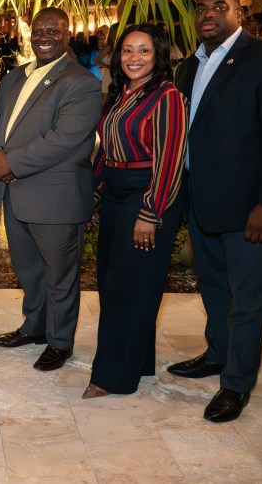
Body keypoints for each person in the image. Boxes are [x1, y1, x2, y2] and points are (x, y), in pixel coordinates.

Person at [168, 0, 262, 423]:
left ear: (239, 13)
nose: (208, 14)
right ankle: (218, 354)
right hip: (202, 201)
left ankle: (237, 383)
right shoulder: (190, 66)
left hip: (250, 209)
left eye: (219, 7)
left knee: (248, 300)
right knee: (213, 288)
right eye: (201, 8)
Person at [0, 7, 102, 372]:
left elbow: (64, 140)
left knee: (60, 277)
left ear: (67, 35)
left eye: (53, 31)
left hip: (55, 197)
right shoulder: (15, 76)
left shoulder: (81, 82)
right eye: (38, 31)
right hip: (16, 194)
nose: (44, 37)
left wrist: (11, 163)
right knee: (29, 271)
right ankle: (34, 327)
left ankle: (60, 341)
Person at [84, 24, 187, 398]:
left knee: (129, 286)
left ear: (158, 55)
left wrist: (151, 212)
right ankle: (137, 363)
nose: (134, 57)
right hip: (116, 190)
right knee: (115, 282)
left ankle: (113, 378)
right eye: (127, 50)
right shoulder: (122, 93)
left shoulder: (167, 96)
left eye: (144, 50)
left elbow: (170, 159)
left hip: (147, 194)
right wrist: (94, 192)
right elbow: (109, 151)